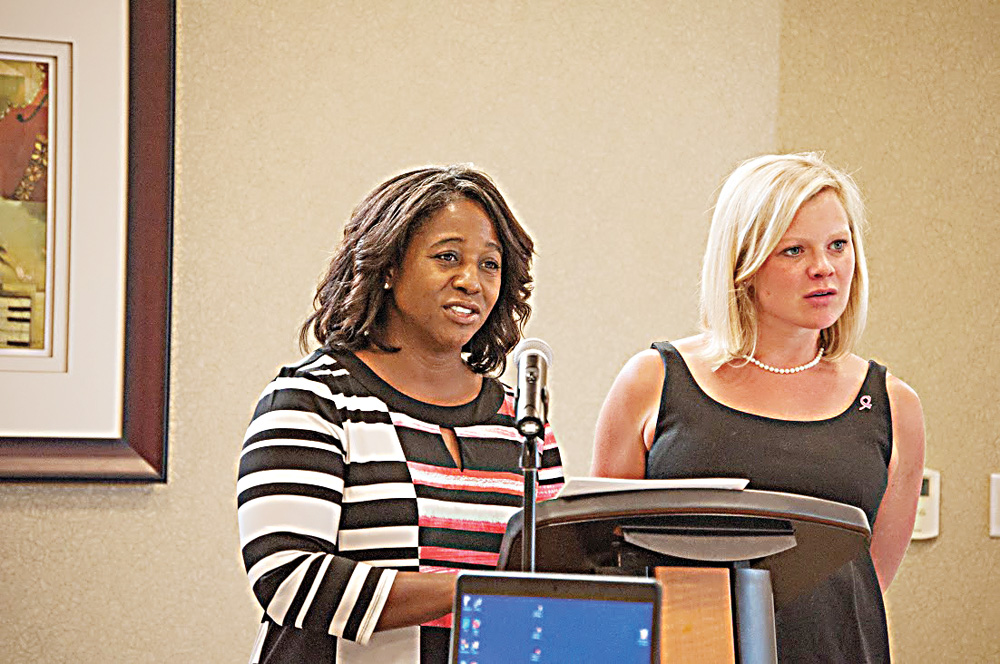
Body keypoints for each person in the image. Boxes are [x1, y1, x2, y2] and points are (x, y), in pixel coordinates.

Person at [591, 152, 924, 662]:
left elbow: (862, 584)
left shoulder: (893, 405)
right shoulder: (653, 380)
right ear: (743, 263)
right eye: (793, 250)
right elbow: (601, 562)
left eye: (839, 245)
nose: (824, 268)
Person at [237, 165, 564, 663]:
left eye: (490, 265)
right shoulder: (316, 399)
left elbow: (553, 580)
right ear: (389, 267)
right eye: (447, 257)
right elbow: (287, 578)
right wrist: (475, 589)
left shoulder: (522, 424)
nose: (471, 281)